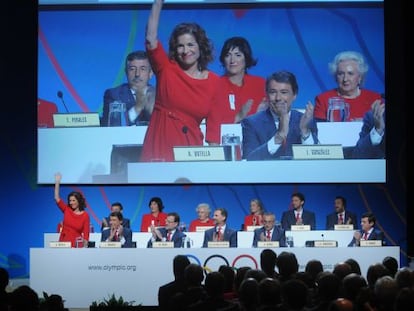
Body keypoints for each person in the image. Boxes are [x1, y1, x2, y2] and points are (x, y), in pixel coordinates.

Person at [140, 0, 221, 162]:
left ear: (201, 46)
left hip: (190, 151)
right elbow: (151, 39)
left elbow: (214, 129)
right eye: (180, 46)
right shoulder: (166, 69)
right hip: (159, 146)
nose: (185, 51)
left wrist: (214, 167)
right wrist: (158, 2)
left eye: (190, 44)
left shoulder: (214, 81)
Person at [241, 70, 318, 160]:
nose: (278, 98)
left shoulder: (306, 121)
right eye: (273, 92)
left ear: (294, 95)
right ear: (266, 94)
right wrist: (278, 137)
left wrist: (305, 132)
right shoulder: (252, 123)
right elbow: (248, 160)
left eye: (284, 92)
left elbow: (316, 159)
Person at [205, 36, 266, 144]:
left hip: (257, 148)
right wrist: (238, 117)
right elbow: (213, 131)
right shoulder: (215, 85)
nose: (232, 60)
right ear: (223, 59)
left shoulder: (260, 85)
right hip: (225, 148)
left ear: (246, 59)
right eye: (228, 55)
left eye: (238, 55)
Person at [313, 50, 383, 122]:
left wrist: (364, 124)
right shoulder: (323, 99)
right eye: (341, 74)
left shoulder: (375, 99)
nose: (345, 79)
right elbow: (321, 130)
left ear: (360, 77)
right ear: (335, 77)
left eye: (350, 73)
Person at [101, 50, 155, 126]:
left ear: (150, 73)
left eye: (142, 69)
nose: (137, 74)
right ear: (126, 72)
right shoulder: (114, 95)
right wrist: (137, 108)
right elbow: (109, 125)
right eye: (132, 69)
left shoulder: (159, 95)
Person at [54, 172, 90, 247]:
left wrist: (85, 249)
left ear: (79, 201)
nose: (71, 203)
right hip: (63, 244)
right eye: (70, 200)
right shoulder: (66, 209)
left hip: (76, 246)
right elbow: (57, 198)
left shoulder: (85, 215)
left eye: (73, 200)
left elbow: (86, 235)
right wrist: (57, 181)